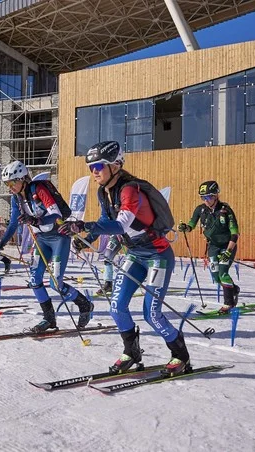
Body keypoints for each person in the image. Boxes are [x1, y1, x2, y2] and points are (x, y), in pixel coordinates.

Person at [60, 141, 189, 376]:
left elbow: (120, 225)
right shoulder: (103, 191)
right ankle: (132, 352)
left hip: (157, 255)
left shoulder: (129, 189)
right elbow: (104, 221)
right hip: (134, 254)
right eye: (91, 167)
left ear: (116, 165)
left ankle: (181, 355)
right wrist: (84, 236)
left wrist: (82, 225)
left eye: (99, 165)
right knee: (116, 307)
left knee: (152, 314)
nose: (94, 171)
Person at [0, 161, 93, 331]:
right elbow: (13, 225)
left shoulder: (38, 189)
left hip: (59, 237)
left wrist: (36, 220)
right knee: (34, 279)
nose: (10, 187)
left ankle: (85, 305)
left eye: (12, 182)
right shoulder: (17, 199)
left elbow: (56, 214)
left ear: (23, 179)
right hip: (42, 239)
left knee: (56, 284)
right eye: (7, 184)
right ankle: (49, 319)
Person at [178, 181, 240, 314]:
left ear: (216, 195)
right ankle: (234, 289)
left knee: (223, 273)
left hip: (227, 245)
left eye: (208, 197)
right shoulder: (200, 210)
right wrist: (185, 227)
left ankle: (229, 304)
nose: (205, 200)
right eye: (203, 197)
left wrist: (228, 252)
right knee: (216, 277)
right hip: (213, 246)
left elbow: (235, 233)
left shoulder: (225, 210)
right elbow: (191, 225)